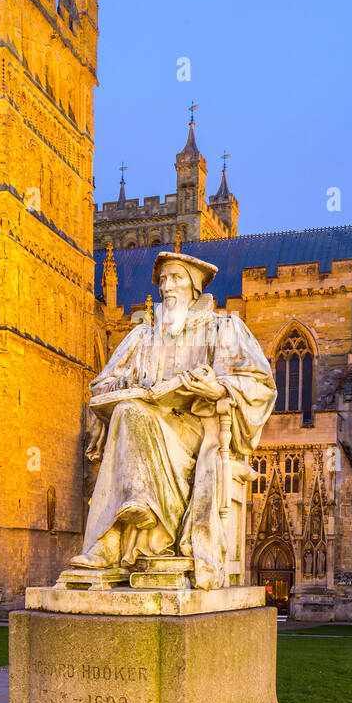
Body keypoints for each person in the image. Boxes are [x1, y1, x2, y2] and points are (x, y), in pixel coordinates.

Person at [70, 251, 276, 589]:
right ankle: (123, 523)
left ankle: (116, 534)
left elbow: (260, 384)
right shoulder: (142, 337)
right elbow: (100, 386)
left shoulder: (223, 329)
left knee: (133, 415)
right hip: (142, 425)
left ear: (195, 287)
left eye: (176, 278)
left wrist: (218, 387)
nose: (167, 286)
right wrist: (124, 385)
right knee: (129, 411)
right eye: (162, 279)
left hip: (198, 431)